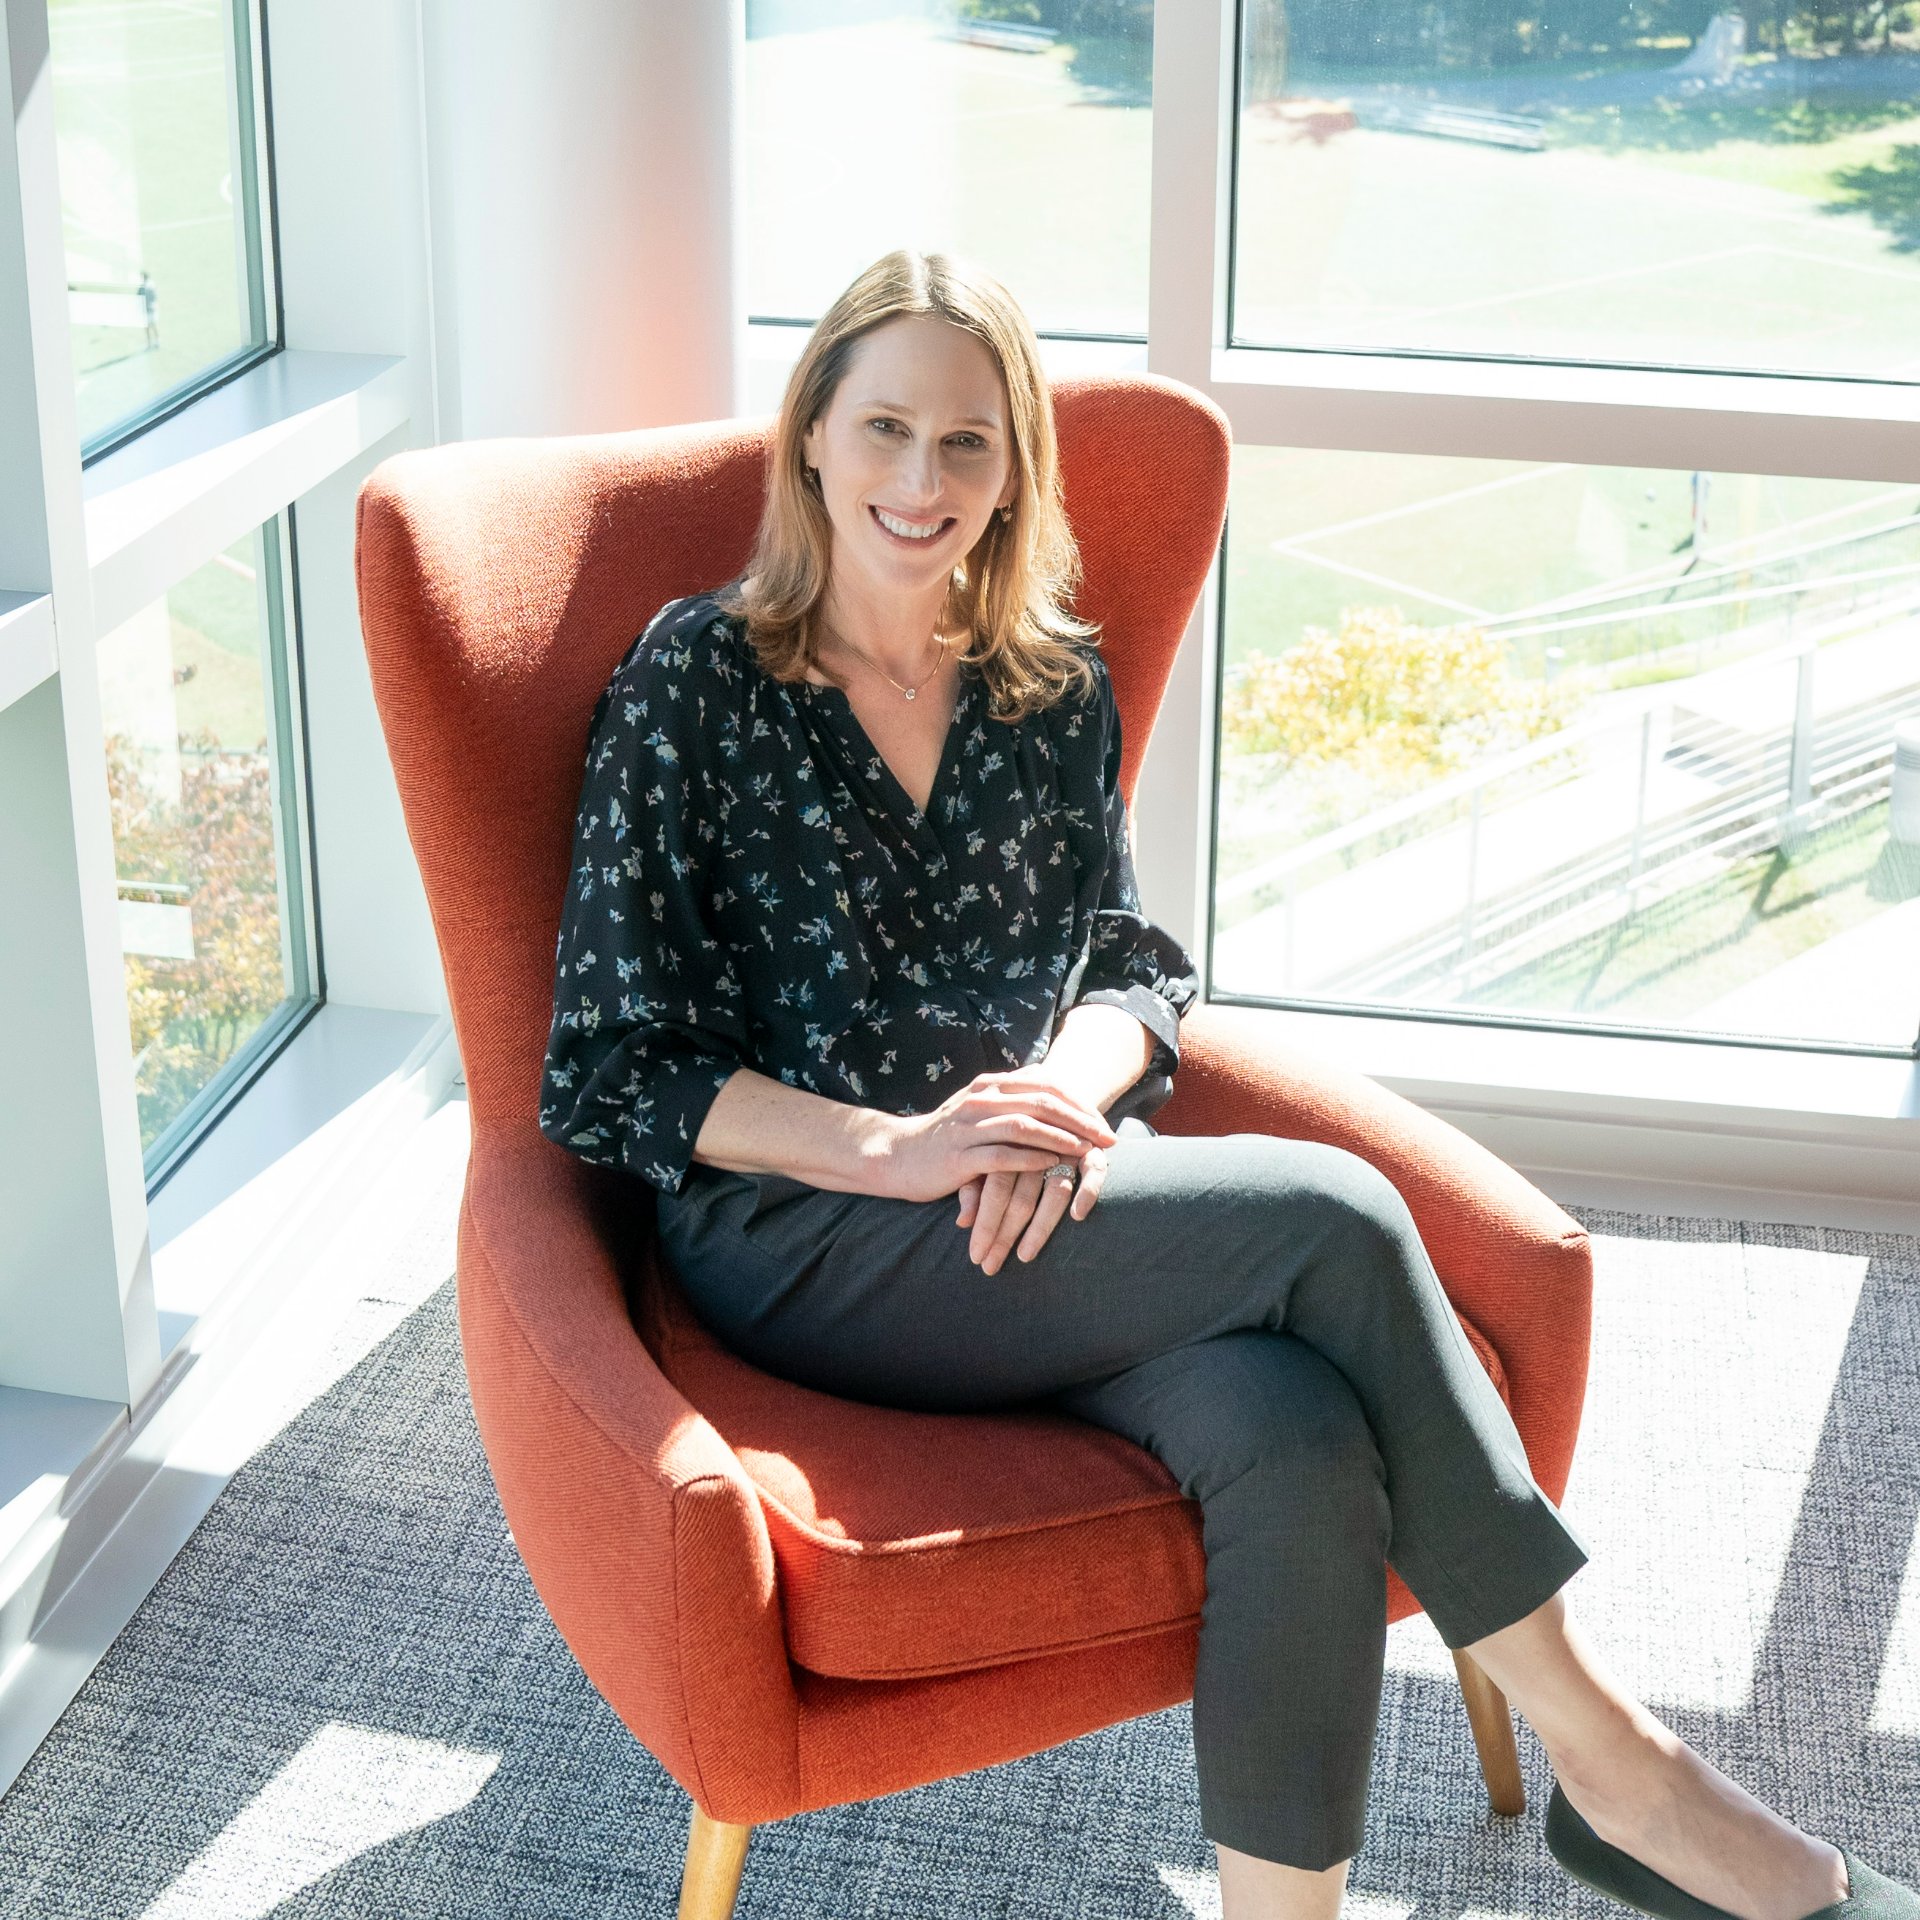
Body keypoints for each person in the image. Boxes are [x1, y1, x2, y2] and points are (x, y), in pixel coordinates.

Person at [539, 248, 1916, 1920]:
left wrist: (1060, 1083)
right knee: (1329, 1213)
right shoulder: (699, 681)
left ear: (1013, 468)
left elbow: (1133, 964)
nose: (922, 480)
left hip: (1049, 1200)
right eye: (885, 427)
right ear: (811, 437)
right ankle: (1625, 1774)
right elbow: (613, 1073)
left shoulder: (1046, 680)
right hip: (808, 1233)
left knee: (1298, 1430)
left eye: (968, 443)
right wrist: (907, 1148)